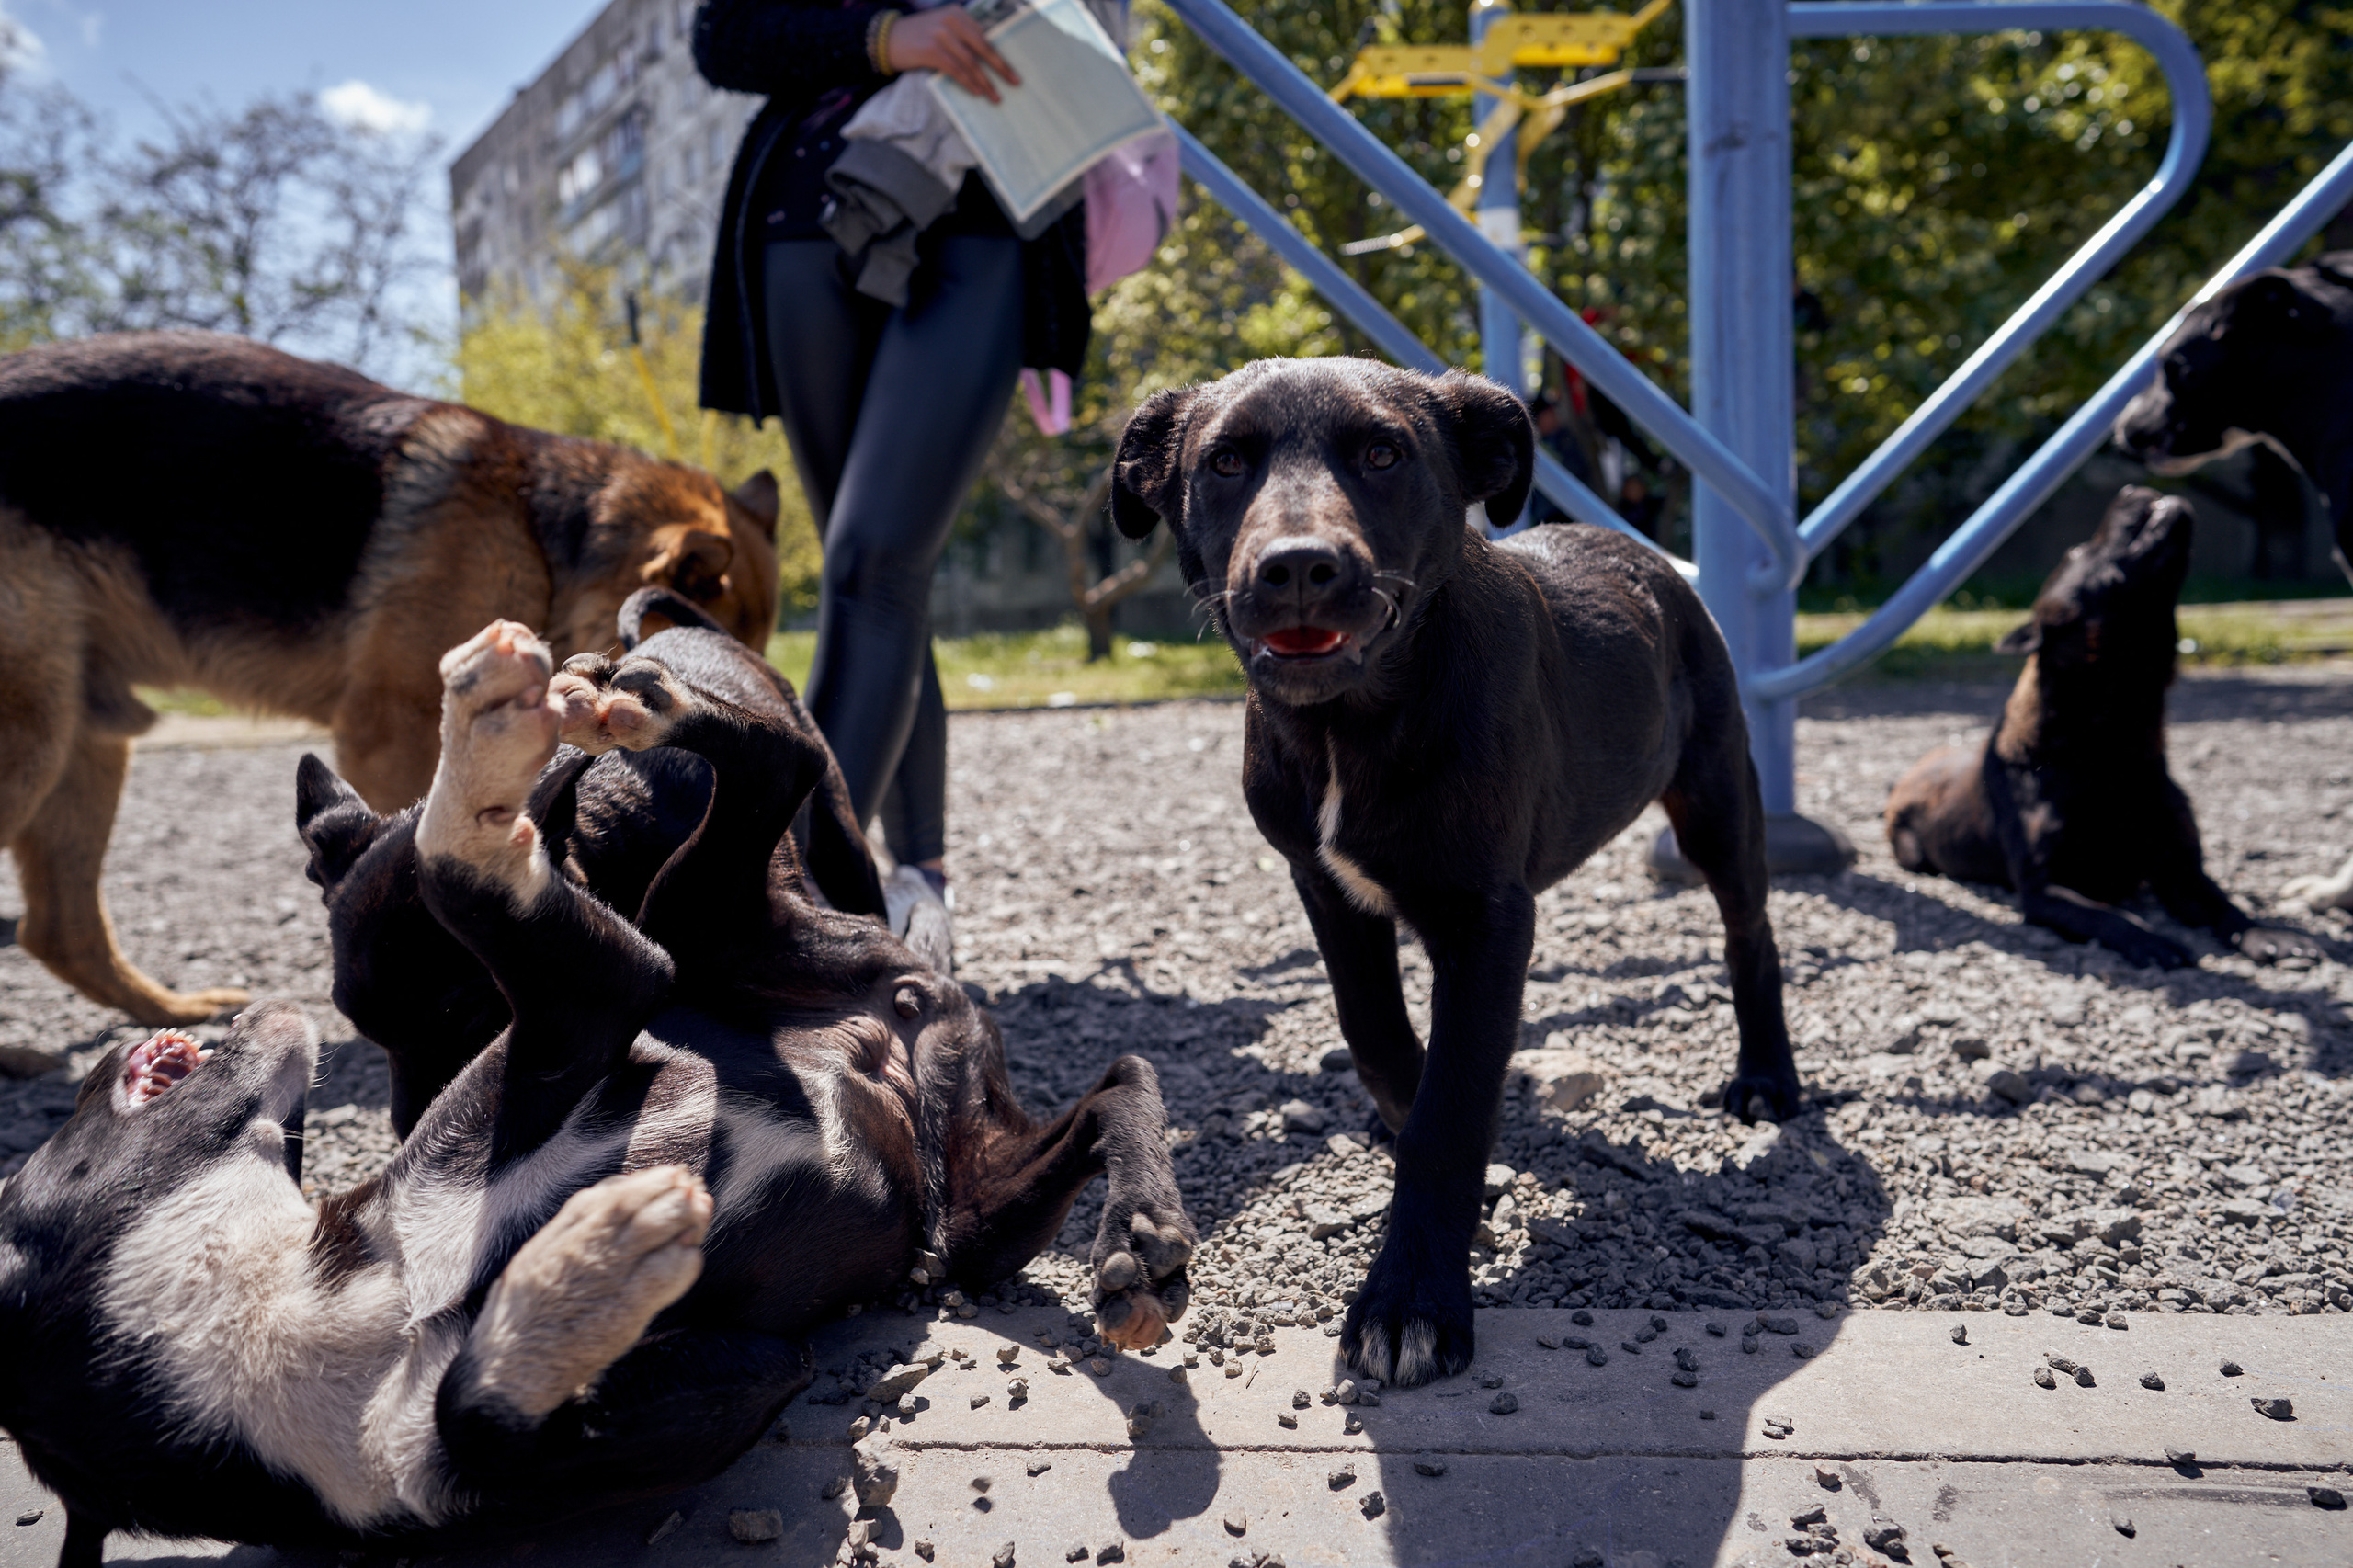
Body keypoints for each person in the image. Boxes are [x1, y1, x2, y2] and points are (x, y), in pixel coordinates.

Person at [692, 0, 1093, 937]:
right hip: (806, 219)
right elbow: (724, 35)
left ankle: (776, 914)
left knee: (875, 560)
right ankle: (918, 890)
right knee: (872, 579)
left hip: (988, 205)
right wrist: (884, 37)